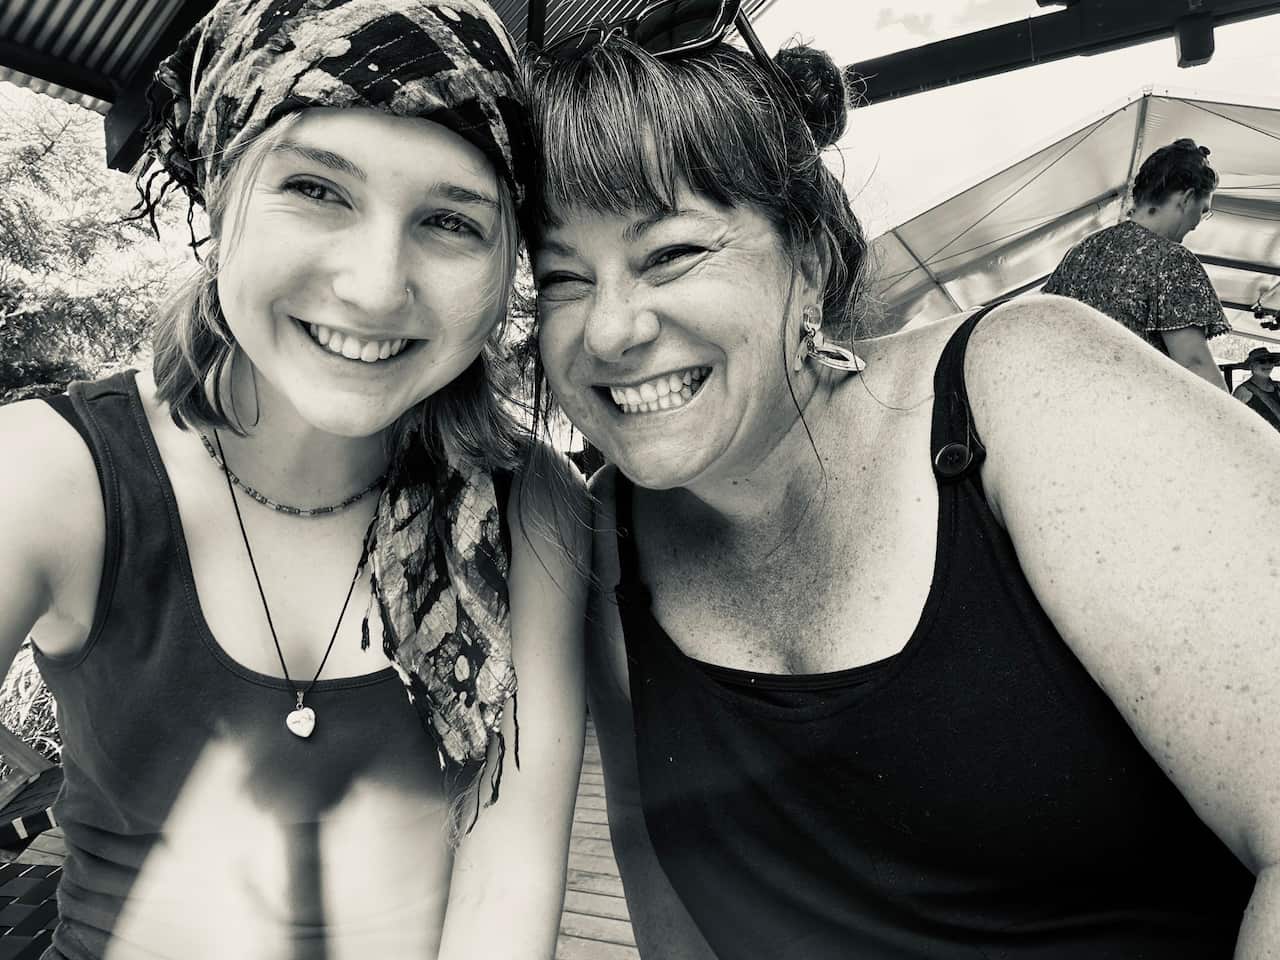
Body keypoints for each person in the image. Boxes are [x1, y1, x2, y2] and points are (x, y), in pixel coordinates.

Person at [525, 6, 1280, 958]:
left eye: (670, 252)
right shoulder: (603, 542)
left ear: (808, 255)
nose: (608, 331)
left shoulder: (1021, 390)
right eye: (560, 278)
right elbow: (646, 844)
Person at [0, 1, 589, 956]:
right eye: (317, 189)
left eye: (450, 221)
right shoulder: (50, 473)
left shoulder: (532, 510)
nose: (374, 285)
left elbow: (506, 892)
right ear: (221, 200)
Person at [1042, 137, 1230, 390]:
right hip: (1135, 417)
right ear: (1186, 199)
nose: (1197, 223)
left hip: (1066, 408)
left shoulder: (1080, 252)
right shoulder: (1172, 260)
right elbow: (1195, 365)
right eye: (1203, 210)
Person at [1233, 346, 1280, 431]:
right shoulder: (1243, 391)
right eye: (1262, 361)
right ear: (1251, 366)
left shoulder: (1278, 386)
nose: (1267, 364)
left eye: (1271, 360)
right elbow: (1235, 420)